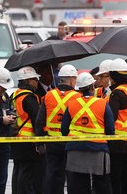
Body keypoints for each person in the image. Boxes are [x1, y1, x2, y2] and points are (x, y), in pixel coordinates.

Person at [62, 73, 115, 194]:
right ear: (92, 87)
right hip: (98, 149)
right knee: (102, 184)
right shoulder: (103, 103)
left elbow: (64, 129)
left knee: (77, 185)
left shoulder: (71, 104)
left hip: (75, 149)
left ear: (79, 89)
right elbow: (110, 129)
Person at [35, 64, 81, 194]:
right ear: (72, 79)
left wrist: (39, 142)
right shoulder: (77, 97)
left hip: (51, 141)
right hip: (69, 141)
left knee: (51, 173)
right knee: (71, 174)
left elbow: (40, 120)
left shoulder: (49, 95)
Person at [10, 66, 45, 194]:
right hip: (28, 141)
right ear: (29, 80)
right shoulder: (29, 97)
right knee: (28, 175)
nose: (37, 82)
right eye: (35, 79)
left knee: (18, 171)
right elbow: (37, 119)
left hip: (17, 138)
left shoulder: (15, 94)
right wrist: (40, 140)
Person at [107, 59, 127, 194]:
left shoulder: (116, 93)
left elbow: (111, 117)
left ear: (113, 76)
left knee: (116, 178)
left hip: (117, 141)